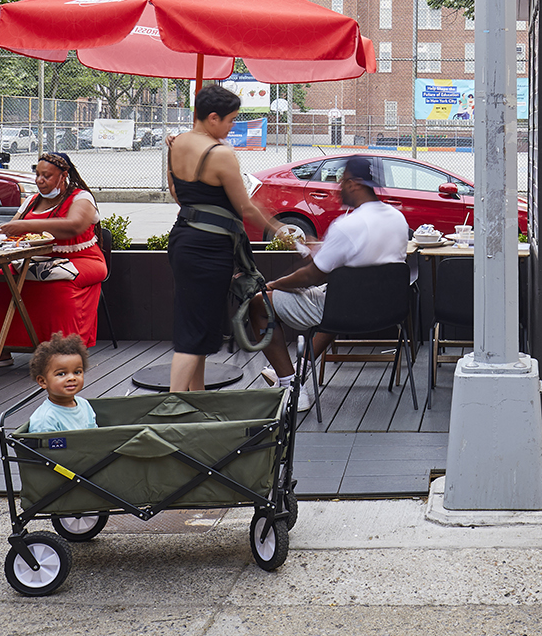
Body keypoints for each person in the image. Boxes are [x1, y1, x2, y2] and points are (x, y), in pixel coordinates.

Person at [247, 155, 410, 403]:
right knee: (336, 295)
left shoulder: (347, 225)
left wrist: (274, 285)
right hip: (389, 310)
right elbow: (364, 261)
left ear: (354, 183)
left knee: (259, 304)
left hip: (348, 311)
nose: (338, 187)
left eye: (341, 181)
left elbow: (311, 276)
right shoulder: (398, 219)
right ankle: (301, 369)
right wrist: (322, 252)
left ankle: (292, 388)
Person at [168, 84, 291, 392]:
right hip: (209, 248)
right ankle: (171, 405)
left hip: (184, 239)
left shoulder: (177, 144)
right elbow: (245, 206)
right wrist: (280, 230)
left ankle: (196, 401)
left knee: (200, 327)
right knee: (194, 333)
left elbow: (178, 195)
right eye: (231, 120)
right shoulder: (220, 154)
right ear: (212, 118)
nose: (232, 126)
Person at [0, 151, 106, 352]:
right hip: (35, 260)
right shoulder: (32, 201)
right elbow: (13, 229)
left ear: (64, 175)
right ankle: (2, 348)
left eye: (46, 176)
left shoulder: (81, 197)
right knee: (2, 279)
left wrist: (27, 227)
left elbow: (74, 226)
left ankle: (64, 350)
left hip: (80, 258)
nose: (39, 180)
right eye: (37, 174)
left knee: (57, 285)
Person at [26, 333, 97, 433]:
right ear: (43, 381)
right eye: (61, 374)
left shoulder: (84, 405)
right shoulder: (46, 420)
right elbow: (45, 448)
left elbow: (95, 435)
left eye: (77, 372)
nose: (72, 378)